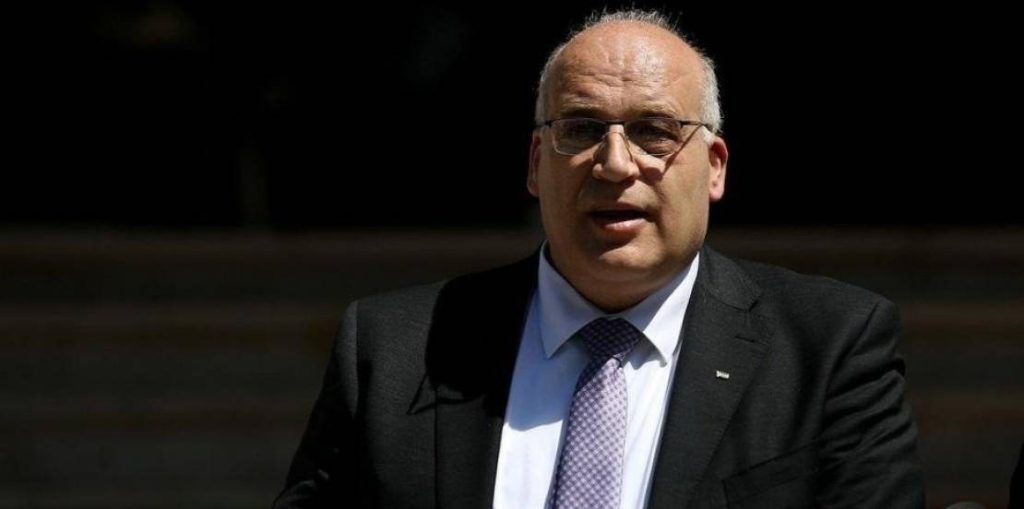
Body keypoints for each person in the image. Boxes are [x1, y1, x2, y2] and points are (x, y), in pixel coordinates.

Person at [273, 9, 924, 508]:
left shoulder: (828, 348)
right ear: (536, 165)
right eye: (581, 129)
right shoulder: (394, 349)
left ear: (715, 167)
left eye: (654, 132)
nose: (614, 164)